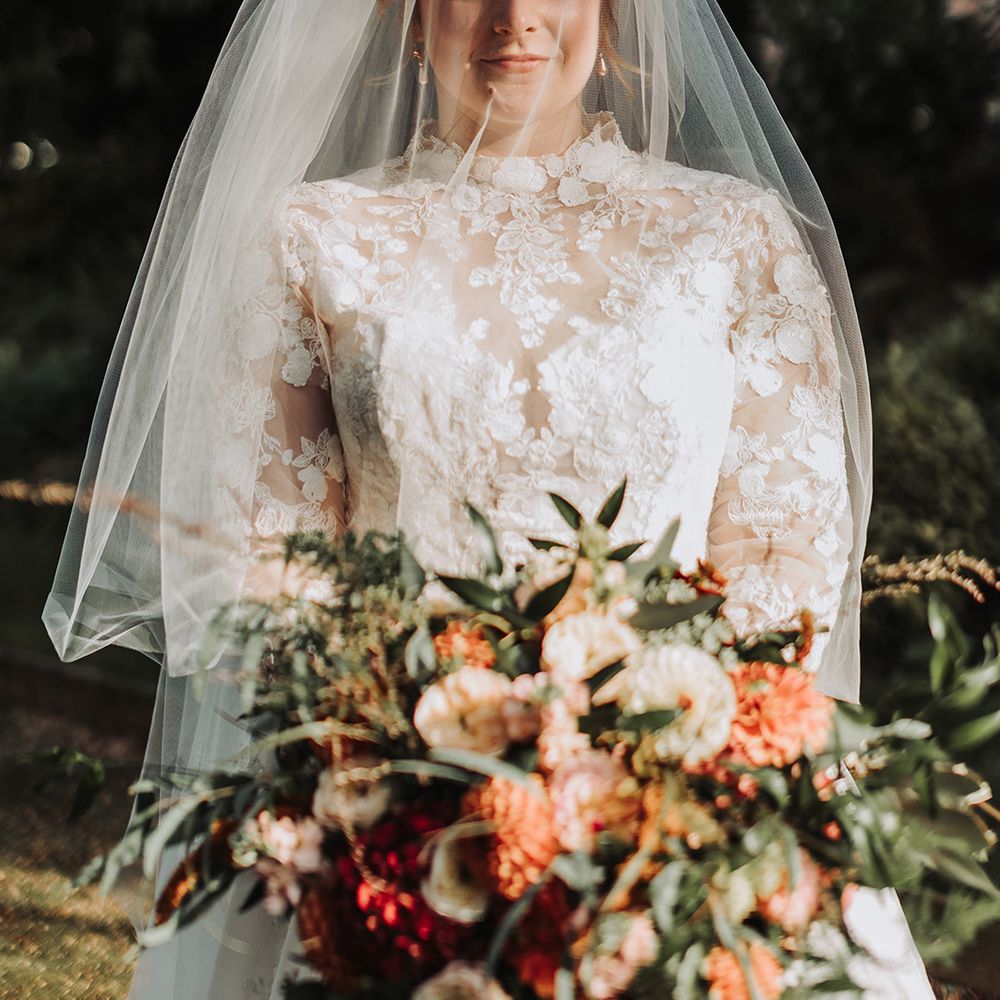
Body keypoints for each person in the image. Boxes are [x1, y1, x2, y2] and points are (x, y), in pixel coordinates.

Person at [43, 1, 935, 996]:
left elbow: (786, 547)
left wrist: (662, 761)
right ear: (410, 20)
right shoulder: (312, 237)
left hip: (689, 804)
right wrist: (408, 764)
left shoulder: (734, 236)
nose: (514, 16)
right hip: (398, 812)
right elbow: (265, 562)